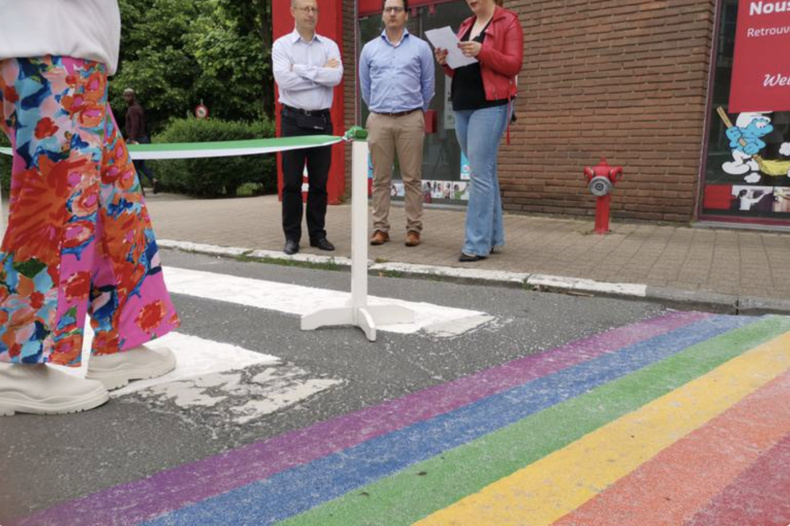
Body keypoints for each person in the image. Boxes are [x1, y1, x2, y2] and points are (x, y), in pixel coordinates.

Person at [0, 0, 180, 416]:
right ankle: (17, 362)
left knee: (113, 202)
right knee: (57, 207)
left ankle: (118, 339)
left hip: (66, 49)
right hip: (47, 46)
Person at [434, 0, 523, 261]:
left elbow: (514, 64)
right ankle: (492, 237)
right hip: (462, 105)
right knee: (486, 172)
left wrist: (482, 51)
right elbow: (459, 68)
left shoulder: (508, 21)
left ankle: (476, 244)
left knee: (479, 174)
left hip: (491, 106)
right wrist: (445, 62)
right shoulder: (466, 25)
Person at [360, 0, 435, 247]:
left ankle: (414, 229)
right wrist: (379, 109)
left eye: (397, 9)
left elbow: (428, 86)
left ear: (406, 15)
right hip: (379, 120)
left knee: (412, 177)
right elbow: (366, 89)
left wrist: (415, 112)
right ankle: (380, 228)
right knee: (380, 178)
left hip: (410, 119)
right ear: (382, 15)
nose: (392, 13)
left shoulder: (421, 48)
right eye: (388, 9)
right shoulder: (369, 50)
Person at [272, 0, 342, 255]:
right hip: (292, 121)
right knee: (291, 182)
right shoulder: (281, 46)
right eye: (305, 8)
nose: (310, 13)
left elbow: (335, 77)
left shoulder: (329, 46)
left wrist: (300, 70)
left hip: (321, 121)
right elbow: (283, 80)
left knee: (319, 182)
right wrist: (319, 74)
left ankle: (317, 234)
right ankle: (292, 237)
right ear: (293, 11)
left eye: (314, 9)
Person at [123, 87, 159, 194]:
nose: (126, 97)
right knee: (140, 164)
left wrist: (132, 139)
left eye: (129, 95)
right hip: (143, 138)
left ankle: (140, 189)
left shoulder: (133, 109)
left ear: (133, 96)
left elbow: (135, 125)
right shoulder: (137, 107)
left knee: (134, 165)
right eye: (125, 95)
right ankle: (153, 179)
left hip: (137, 140)